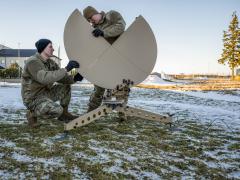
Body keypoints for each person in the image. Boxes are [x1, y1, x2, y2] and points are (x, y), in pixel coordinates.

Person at [21, 39, 83, 128]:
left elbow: (61, 77)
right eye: (50, 47)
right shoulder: (32, 62)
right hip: (33, 98)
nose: (53, 49)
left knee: (66, 87)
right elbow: (44, 78)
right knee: (57, 110)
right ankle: (32, 113)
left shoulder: (50, 63)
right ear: (43, 48)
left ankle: (64, 115)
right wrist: (66, 69)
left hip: (46, 93)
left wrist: (74, 78)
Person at [83, 6, 128, 120]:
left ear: (95, 13)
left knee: (120, 88)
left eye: (91, 18)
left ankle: (122, 114)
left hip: (118, 59)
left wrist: (103, 32)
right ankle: (90, 113)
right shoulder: (93, 29)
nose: (91, 21)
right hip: (103, 61)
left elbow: (121, 26)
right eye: (89, 21)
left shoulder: (111, 15)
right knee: (98, 88)